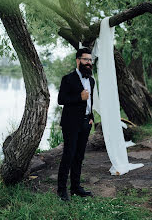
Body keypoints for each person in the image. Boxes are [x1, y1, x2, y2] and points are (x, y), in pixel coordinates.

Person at [57, 47, 95, 201]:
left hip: (86, 123)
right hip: (71, 123)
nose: (89, 63)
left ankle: (75, 187)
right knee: (69, 155)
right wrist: (79, 97)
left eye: (90, 60)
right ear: (78, 60)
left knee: (79, 156)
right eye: (86, 59)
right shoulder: (68, 79)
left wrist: (91, 116)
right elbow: (61, 100)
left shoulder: (91, 80)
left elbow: (89, 103)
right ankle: (61, 190)